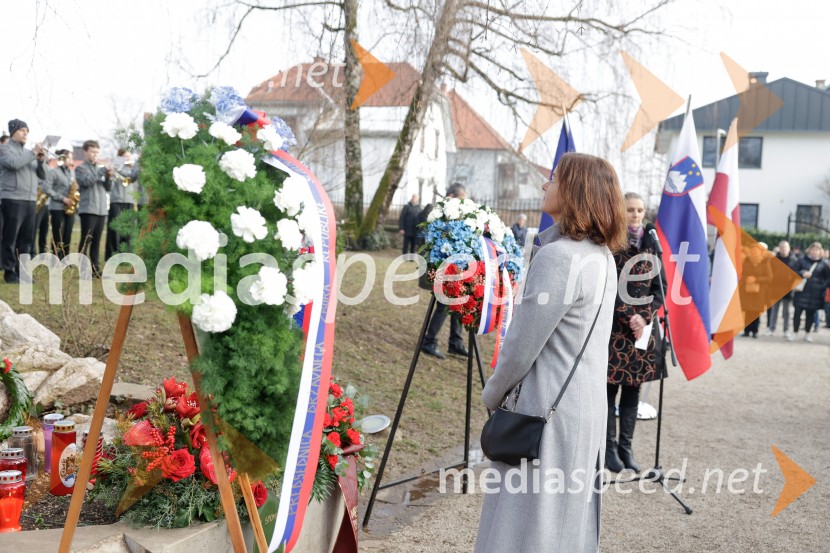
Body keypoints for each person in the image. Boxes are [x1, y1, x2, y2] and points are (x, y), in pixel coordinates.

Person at [476, 153, 626, 553]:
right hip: (583, 407)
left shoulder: (559, 257)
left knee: (528, 527)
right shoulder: (602, 258)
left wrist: (491, 395)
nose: (546, 185)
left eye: (554, 178)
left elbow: (520, 349)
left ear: (575, 190)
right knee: (565, 526)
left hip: (546, 410)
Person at [605, 192, 665, 473]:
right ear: (620, 210)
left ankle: (626, 449)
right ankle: (608, 450)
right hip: (615, 331)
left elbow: (660, 289)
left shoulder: (652, 244)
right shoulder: (611, 243)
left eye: (640, 210)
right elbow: (607, 286)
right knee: (610, 391)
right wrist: (630, 316)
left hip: (642, 332)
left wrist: (644, 317)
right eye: (630, 209)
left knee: (633, 391)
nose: (636, 215)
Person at [421, 183, 468, 359]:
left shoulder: (457, 215)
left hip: (456, 267)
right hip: (442, 267)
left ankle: (455, 342)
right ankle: (429, 342)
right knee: (443, 304)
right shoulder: (439, 215)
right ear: (451, 197)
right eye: (461, 199)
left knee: (458, 303)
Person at [0, 119, 45, 283]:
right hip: (12, 198)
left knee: (26, 239)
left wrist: (40, 161)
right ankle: (9, 272)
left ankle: (23, 272)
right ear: (13, 132)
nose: (26, 133)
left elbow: (43, 176)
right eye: (22, 130)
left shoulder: (29, 154)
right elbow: (13, 164)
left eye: (27, 131)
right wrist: (33, 153)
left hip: (30, 200)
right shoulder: (4, 149)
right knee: (10, 238)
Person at [76, 140, 112, 277]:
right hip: (88, 209)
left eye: (97, 152)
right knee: (86, 240)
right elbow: (86, 181)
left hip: (101, 209)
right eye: (92, 152)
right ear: (85, 152)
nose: (95, 155)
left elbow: (107, 188)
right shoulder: (81, 168)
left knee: (96, 241)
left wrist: (108, 177)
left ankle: (95, 268)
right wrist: (102, 171)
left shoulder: (99, 168)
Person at [791, 242, 830, 342]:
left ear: (820, 251)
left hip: (815, 295)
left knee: (810, 315)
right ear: (809, 250)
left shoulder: (823, 264)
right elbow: (793, 270)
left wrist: (821, 286)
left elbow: (827, 278)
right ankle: (795, 332)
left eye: (817, 250)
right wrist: (802, 273)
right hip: (801, 292)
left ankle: (807, 333)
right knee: (797, 313)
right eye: (813, 249)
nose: (814, 252)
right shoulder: (801, 260)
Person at [42, 149, 77, 258]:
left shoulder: (71, 172)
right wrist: (63, 199)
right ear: (62, 158)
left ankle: (66, 258)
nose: (71, 160)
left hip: (69, 207)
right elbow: (46, 188)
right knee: (58, 235)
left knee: (68, 234)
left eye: (72, 157)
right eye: (69, 158)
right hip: (57, 207)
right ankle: (57, 258)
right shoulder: (53, 171)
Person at [106, 148, 137, 259]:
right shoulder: (116, 167)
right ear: (120, 157)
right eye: (125, 156)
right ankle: (113, 254)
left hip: (129, 201)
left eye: (129, 156)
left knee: (128, 229)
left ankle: (127, 255)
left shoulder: (133, 170)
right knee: (115, 229)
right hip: (117, 201)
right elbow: (110, 182)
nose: (128, 158)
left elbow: (133, 178)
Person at [740, 242, 773, 338]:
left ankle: (755, 330)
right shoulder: (746, 260)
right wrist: (747, 278)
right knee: (747, 311)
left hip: (759, 291)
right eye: (753, 250)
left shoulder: (765, 261)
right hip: (747, 290)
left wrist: (756, 279)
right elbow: (741, 274)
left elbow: (769, 277)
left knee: (755, 312)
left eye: (756, 250)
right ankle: (746, 330)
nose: (754, 252)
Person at [765, 240, 797, 337]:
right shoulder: (774, 259)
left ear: (789, 248)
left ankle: (786, 330)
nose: (783, 250)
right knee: (775, 310)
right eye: (782, 248)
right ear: (779, 248)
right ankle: (771, 328)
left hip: (788, 290)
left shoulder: (794, 260)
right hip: (776, 289)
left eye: (785, 248)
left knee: (787, 311)